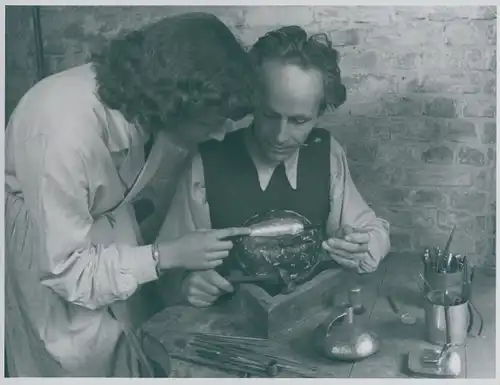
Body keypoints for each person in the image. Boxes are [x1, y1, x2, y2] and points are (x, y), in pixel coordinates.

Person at [4, 12, 255, 377]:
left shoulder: (144, 103)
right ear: (176, 103)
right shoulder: (61, 134)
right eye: (210, 123)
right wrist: (167, 254)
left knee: (131, 339)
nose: (220, 135)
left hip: (100, 225)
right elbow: (67, 272)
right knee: (76, 358)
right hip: (52, 252)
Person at [157, 26, 391, 308]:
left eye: (299, 121)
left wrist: (362, 245)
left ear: (320, 113)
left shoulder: (325, 151)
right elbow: (164, 267)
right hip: (228, 327)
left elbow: (374, 231)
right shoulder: (206, 161)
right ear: (252, 100)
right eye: (269, 115)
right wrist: (185, 285)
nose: (280, 136)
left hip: (307, 321)